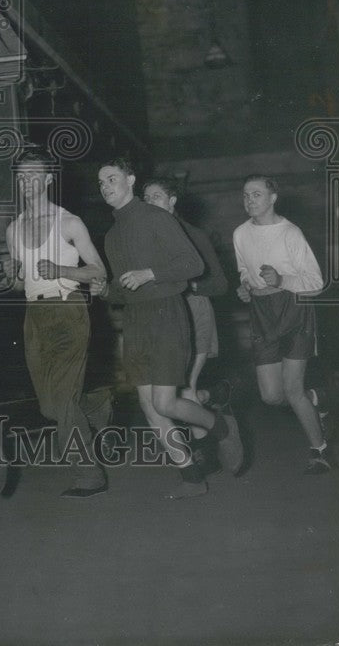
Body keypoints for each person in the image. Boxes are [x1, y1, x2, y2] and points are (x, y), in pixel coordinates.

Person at [91, 159, 244, 499]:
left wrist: (150, 274)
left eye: (112, 178)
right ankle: (191, 476)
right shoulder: (112, 234)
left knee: (165, 403)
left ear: (131, 179)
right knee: (149, 408)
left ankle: (219, 426)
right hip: (135, 323)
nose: (105, 186)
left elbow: (193, 264)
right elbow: (122, 289)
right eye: (101, 182)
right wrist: (105, 291)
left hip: (167, 317)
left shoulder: (155, 218)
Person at [4, 146, 112, 497]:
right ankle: (98, 403)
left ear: (48, 180)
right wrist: (10, 276)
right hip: (34, 316)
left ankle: (89, 476)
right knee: (50, 406)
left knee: (63, 402)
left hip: (68, 310)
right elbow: (22, 283)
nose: (28, 182)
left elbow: (98, 270)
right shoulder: (13, 229)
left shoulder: (69, 222)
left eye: (35, 175)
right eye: (22, 177)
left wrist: (62, 270)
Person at [233, 175, 331, 473]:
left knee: (292, 389)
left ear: (273, 198)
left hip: (294, 310)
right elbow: (243, 271)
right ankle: (314, 400)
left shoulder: (290, 233)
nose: (250, 200)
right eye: (246, 195)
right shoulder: (239, 233)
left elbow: (316, 283)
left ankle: (319, 452)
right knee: (271, 396)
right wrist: (246, 288)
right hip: (262, 314)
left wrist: (282, 279)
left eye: (257, 194)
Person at [142, 178, 227, 408]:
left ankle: (216, 430)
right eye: (146, 198)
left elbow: (220, 284)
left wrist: (191, 286)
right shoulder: (146, 239)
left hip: (193, 311)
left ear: (172, 201)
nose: (149, 203)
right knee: (171, 394)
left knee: (185, 389)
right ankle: (213, 402)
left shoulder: (193, 235)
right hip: (163, 314)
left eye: (156, 197)